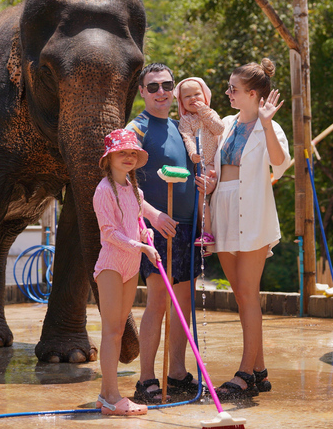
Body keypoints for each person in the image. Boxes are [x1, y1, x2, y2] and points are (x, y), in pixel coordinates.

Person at [210, 58, 291, 399]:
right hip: (223, 211)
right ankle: (259, 370)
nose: (227, 92)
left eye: (234, 89)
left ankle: (244, 372)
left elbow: (279, 163)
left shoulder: (268, 126)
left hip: (253, 214)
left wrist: (268, 123)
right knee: (242, 295)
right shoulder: (226, 123)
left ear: (253, 94)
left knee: (247, 293)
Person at [125, 63, 204, 403]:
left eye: (166, 85)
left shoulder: (179, 127)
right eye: (152, 86)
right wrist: (154, 216)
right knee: (157, 301)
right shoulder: (136, 129)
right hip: (155, 229)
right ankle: (146, 380)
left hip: (188, 229)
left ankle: (177, 372)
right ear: (141, 91)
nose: (161, 92)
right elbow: (122, 183)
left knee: (183, 304)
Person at [92, 128, 166, 416]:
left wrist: (145, 233)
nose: (128, 156)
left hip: (131, 264)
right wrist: (142, 246)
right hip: (111, 264)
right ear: (108, 158)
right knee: (111, 331)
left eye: (132, 152)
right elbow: (109, 233)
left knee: (120, 330)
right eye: (122, 152)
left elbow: (136, 222)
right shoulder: (103, 190)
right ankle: (111, 396)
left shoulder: (136, 191)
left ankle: (104, 395)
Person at [174, 77, 225, 254]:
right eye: (187, 96)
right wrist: (192, 152)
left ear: (205, 95)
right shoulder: (186, 120)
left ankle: (208, 234)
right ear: (181, 101)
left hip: (214, 163)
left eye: (197, 94)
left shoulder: (210, 113)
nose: (193, 98)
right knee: (201, 198)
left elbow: (219, 129)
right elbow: (187, 137)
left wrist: (204, 112)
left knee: (207, 196)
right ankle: (206, 234)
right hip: (199, 164)